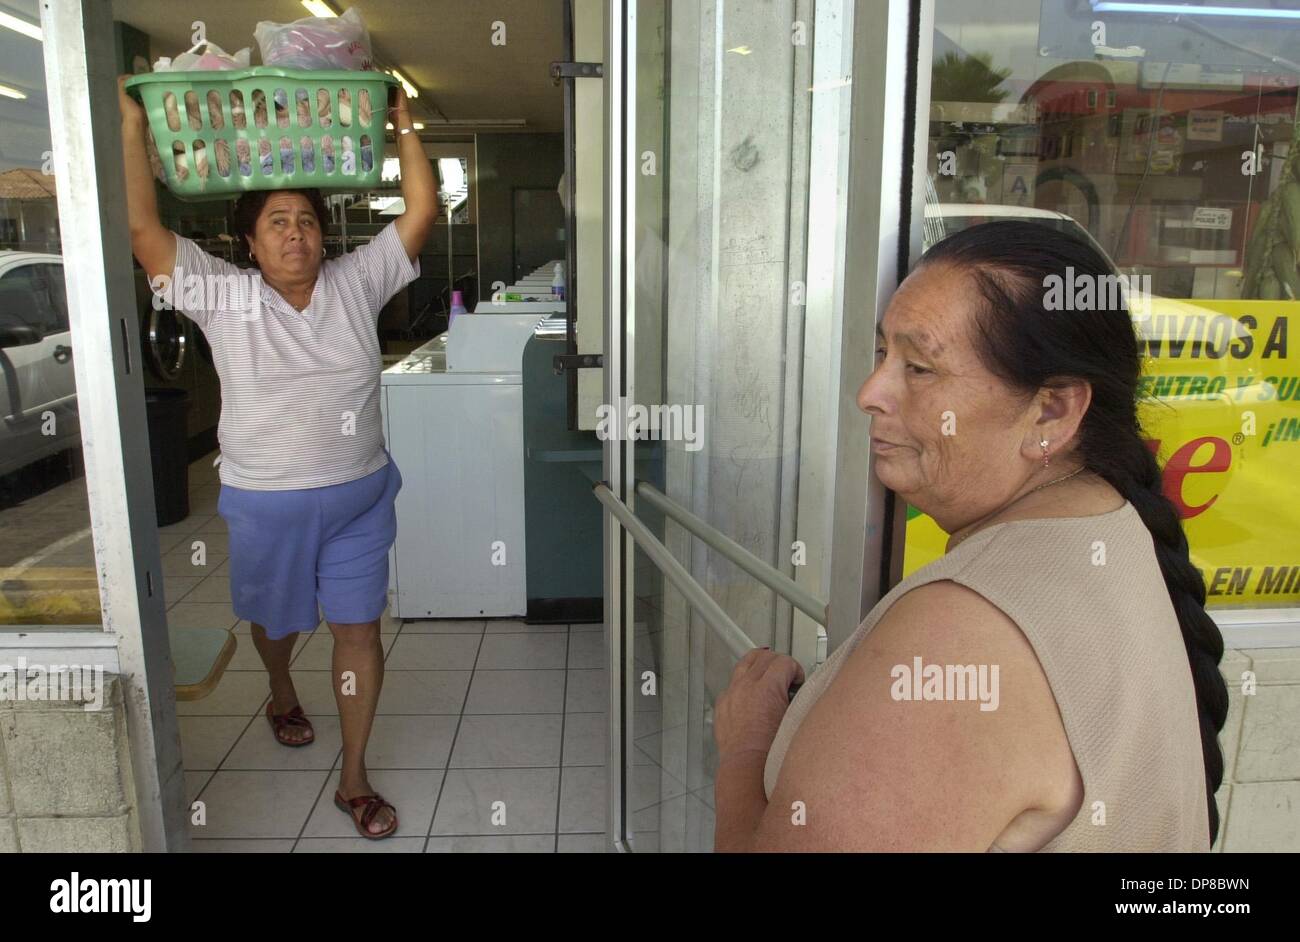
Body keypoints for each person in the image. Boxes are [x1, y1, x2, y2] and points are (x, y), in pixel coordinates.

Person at [712, 221, 1228, 852]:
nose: (870, 394)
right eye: (883, 355)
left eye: (920, 367)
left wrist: (746, 748)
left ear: (1052, 410)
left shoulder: (960, 635)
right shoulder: (1109, 525)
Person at [118, 76, 437, 839]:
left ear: (323, 236)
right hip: (266, 503)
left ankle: (352, 779)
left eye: (305, 221)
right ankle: (280, 683)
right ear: (250, 243)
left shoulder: (356, 283)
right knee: (276, 622)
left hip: (360, 495)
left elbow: (423, 210)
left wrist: (402, 121)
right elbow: (142, 230)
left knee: (359, 630)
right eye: (277, 223)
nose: (295, 233)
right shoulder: (224, 296)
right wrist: (133, 127)